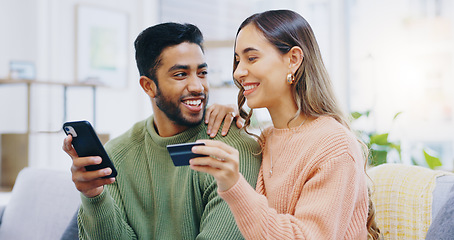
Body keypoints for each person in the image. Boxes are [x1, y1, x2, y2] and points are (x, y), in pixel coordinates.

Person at [189, 10, 381, 239]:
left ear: (293, 60)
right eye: (238, 60)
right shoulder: (266, 140)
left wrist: (234, 185)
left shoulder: (334, 147)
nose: (239, 72)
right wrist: (225, 116)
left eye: (252, 58)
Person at [62, 22, 261, 239]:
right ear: (148, 86)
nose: (197, 86)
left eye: (202, 73)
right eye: (180, 75)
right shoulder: (118, 154)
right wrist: (94, 195)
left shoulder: (233, 150)